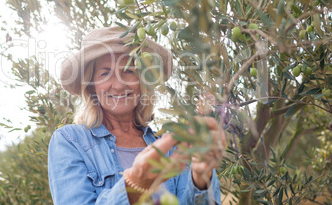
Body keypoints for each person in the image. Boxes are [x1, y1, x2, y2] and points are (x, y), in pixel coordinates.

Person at [48, 26, 225, 204]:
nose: (118, 85)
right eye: (105, 73)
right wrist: (135, 185)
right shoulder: (70, 141)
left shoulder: (169, 146)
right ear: (91, 86)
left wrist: (201, 180)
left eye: (129, 71)